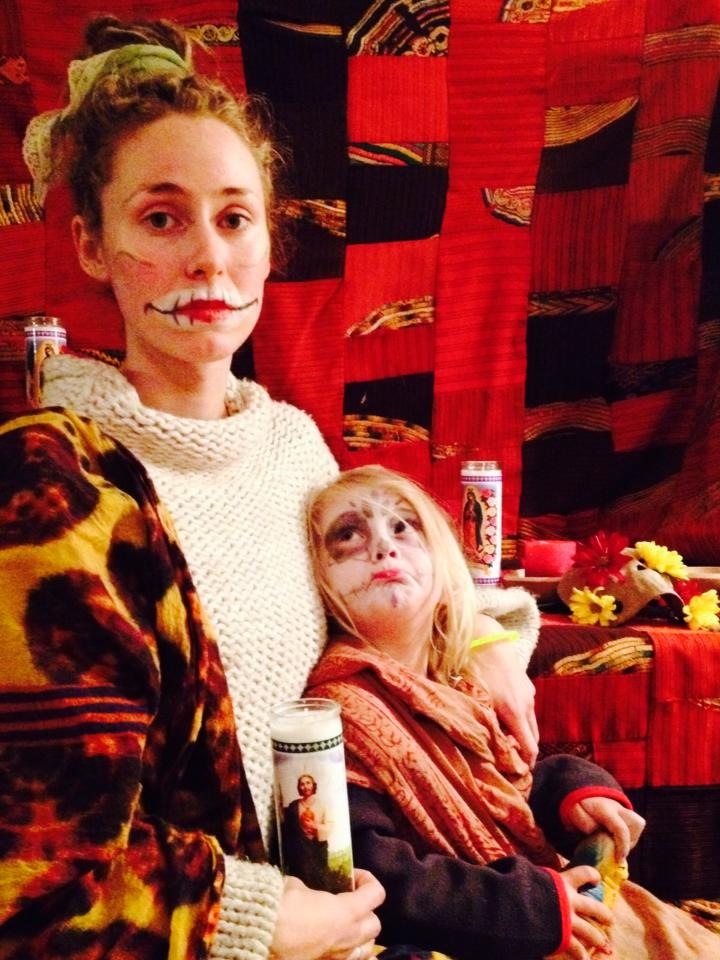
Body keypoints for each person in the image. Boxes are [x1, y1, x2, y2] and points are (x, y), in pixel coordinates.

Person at [1, 14, 536, 959]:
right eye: (161, 218)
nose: (208, 257)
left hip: (361, 906)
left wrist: (487, 643)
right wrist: (253, 919)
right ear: (90, 245)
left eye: (234, 218)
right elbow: (35, 875)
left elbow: (389, 595)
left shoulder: (292, 447)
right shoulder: (55, 482)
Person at [305, 465, 720, 960]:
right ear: (318, 579)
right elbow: (373, 870)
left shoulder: (459, 676)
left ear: (442, 561)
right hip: (478, 932)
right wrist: (530, 908)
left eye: (402, 526)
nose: (382, 547)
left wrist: (573, 794)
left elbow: (506, 791)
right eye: (348, 534)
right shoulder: (343, 713)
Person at [281, 774, 332, 890]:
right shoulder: (294, 806)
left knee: (318, 881)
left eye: (308, 783)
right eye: (302, 784)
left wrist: (315, 827)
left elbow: (329, 825)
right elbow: (288, 828)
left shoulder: (322, 805)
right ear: (299, 787)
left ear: (313, 785)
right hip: (300, 851)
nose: (305, 786)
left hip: (317, 849)